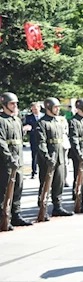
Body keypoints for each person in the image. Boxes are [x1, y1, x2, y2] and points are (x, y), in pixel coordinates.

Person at [36, 97, 72, 219]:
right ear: (48, 107)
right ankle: (43, 208)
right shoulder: (42, 123)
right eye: (55, 107)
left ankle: (58, 206)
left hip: (59, 156)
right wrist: (46, 157)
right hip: (48, 158)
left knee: (59, 182)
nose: (57, 110)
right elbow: (41, 143)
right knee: (45, 184)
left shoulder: (58, 122)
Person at [0, 92, 32, 229]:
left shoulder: (16, 120)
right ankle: (3, 217)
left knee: (18, 187)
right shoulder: (1, 120)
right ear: (5, 104)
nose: (15, 106)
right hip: (6, 161)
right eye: (12, 103)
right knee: (5, 189)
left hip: (18, 159)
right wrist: (9, 158)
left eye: (15, 104)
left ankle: (16, 214)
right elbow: (1, 141)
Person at [23, 102, 42, 178]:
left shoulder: (44, 116)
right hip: (34, 138)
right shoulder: (28, 117)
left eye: (36, 108)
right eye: (33, 109)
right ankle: (34, 172)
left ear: (39, 108)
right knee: (34, 155)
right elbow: (26, 126)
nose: (35, 110)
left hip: (43, 139)